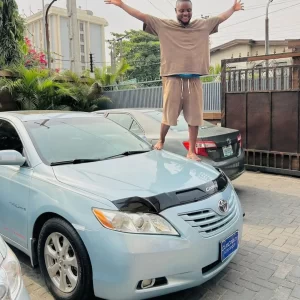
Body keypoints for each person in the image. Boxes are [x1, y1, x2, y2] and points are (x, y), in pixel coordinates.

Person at [104, 0, 244, 161]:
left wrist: (233, 9)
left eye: (189, 10)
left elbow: (221, 17)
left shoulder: (203, 24)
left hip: (194, 78)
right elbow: (142, 16)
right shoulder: (164, 25)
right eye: (182, 10)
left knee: (195, 117)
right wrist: (122, 5)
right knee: (169, 114)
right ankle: (161, 140)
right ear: (176, 10)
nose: (186, 14)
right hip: (172, 77)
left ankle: (191, 151)